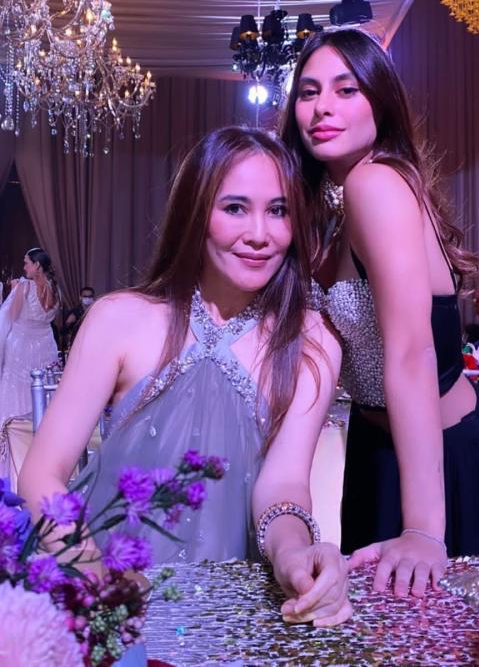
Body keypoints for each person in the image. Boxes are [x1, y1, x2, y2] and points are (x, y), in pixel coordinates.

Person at [19, 127, 351, 627]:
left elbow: (283, 485)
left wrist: (293, 555)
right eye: (235, 208)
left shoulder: (312, 339)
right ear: (195, 212)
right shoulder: (120, 318)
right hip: (100, 590)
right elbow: (42, 473)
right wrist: (98, 581)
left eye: (278, 211)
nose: (259, 234)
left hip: (230, 612)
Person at [281, 27, 479, 597]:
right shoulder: (343, 206)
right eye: (308, 92)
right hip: (379, 453)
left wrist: (422, 528)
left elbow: (414, 352)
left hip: (444, 461)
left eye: (346, 90)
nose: (322, 107)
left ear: (382, 102)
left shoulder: (374, 183)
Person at [0, 248, 59, 478]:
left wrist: (13, 292)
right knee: (42, 390)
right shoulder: (56, 288)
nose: (24, 267)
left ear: (37, 265)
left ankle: (12, 452)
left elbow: (11, 316)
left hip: (22, 346)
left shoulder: (24, 286)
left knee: (15, 392)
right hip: (45, 344)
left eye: (27, 263)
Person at [61, 286, 96, 350]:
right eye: (85, 296)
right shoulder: (74, 312)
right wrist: (68, 323)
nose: (88, 298)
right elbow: (62, 332)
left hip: (93, 343)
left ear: (93, 297)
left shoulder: (97, 311)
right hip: (78, 345)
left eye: (90, 296)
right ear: (80, 297)